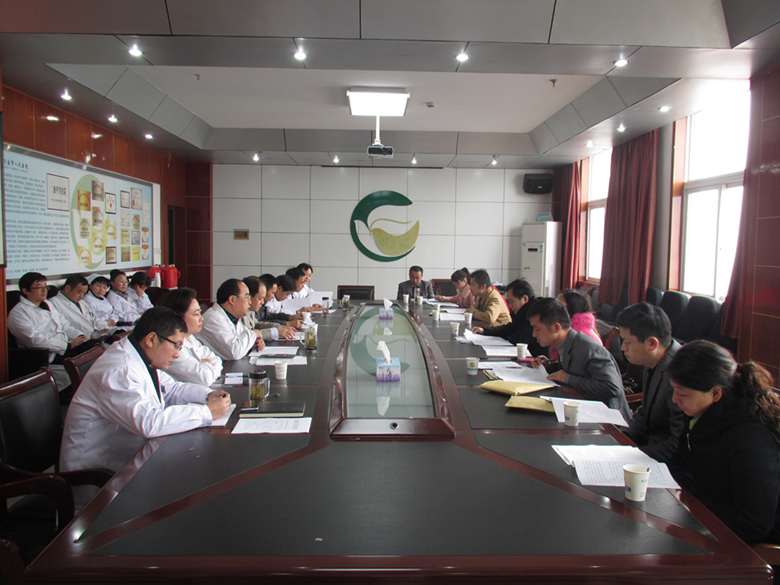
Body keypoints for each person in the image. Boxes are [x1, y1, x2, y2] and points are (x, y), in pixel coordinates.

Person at [60, 308, 231, 507]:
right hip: (99, 486)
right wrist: (207, 412)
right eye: (176, 345)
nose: (177, 354)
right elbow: (149, 423)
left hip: (132, 464)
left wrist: (207, 395)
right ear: (151, 339)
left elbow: (171, 389)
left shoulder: (138, 355)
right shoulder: (120, 370)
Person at [667, 340, 780, 544]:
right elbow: (678, 460)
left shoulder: (750, 438)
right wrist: (691, 498)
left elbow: (752, 524)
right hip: (706, 516)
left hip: (748, 544)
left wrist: (694, 505)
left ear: (715, 393)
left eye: (682, 393)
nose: (675, 399)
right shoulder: (701, 413)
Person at [529, 297, 631, 421]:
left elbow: (612, 387)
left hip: (608, 420)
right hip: (581, 408)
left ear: (556, 327)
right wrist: (550, 365)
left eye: (537, 328)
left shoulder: (588, 348)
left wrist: (568, 378)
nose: (534, 334)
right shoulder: (565, 342)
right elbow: (578, 369)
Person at [616, 302, 685, 462]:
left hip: (667, 463)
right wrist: (621, 438)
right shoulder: (653, 360)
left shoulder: (679, 375)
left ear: (652, 343)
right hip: (649, 450)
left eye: (627, 342)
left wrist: (633, 456)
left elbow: (678, 445)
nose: (623, 348)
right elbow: (645, 412)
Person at [8, 272, 97, 367]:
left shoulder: (47, 304)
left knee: (95, 345)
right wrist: (68, 346)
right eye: (39, 287)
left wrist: (80, 337)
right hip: (49, 355)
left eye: (45, 286)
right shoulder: (18, 313)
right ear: (26, 290)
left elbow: (64, 325)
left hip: (65, 346)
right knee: (92, 357)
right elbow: (35, 340)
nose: (44, 290)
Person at [157, 288, 223, 386]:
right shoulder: (170, 346)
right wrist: (207, 364)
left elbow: (216, 360)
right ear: (178, 318)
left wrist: (204, 365)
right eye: (196, 314)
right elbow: (204, 378)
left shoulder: (190, 338)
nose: (201, 318)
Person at [471, 278, 544, 357]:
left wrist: (506, 337)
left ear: (525, 299)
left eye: (512, 301)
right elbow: (509, 328)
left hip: (536, 357)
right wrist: (485, 330)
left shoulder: (536, 314)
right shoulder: (521, 311)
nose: (510, 306)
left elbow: (519, 338)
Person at [197, 278, 265, 360]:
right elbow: (235, 352)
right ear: (232, 299)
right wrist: (254, 334)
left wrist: (253, 342)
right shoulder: (213, 320)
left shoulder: (232, 318)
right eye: (247, 297)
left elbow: (242, 337)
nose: (250, 302)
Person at [48, 274, 116, 339]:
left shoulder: (82, 302)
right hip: (78, 339)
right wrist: (83, 337)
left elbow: (94, 318)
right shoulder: (54, 303)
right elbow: (64, 327)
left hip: (95, 335)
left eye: (84, 293)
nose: (81, 296)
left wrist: (103, 327)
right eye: (79, 292)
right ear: (67, 288)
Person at [550, 289, 601, 360]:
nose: (553, 309)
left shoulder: (581, 337)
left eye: (559, 306)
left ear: (573, 308)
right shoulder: (568, 329)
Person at [242, 276, 296, 341]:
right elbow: (248, 335)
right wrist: (275, 331)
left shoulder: (251, 310)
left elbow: (256, 324)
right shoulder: (240, 313)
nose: (262, 302)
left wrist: (276, 326)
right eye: (260, 299)